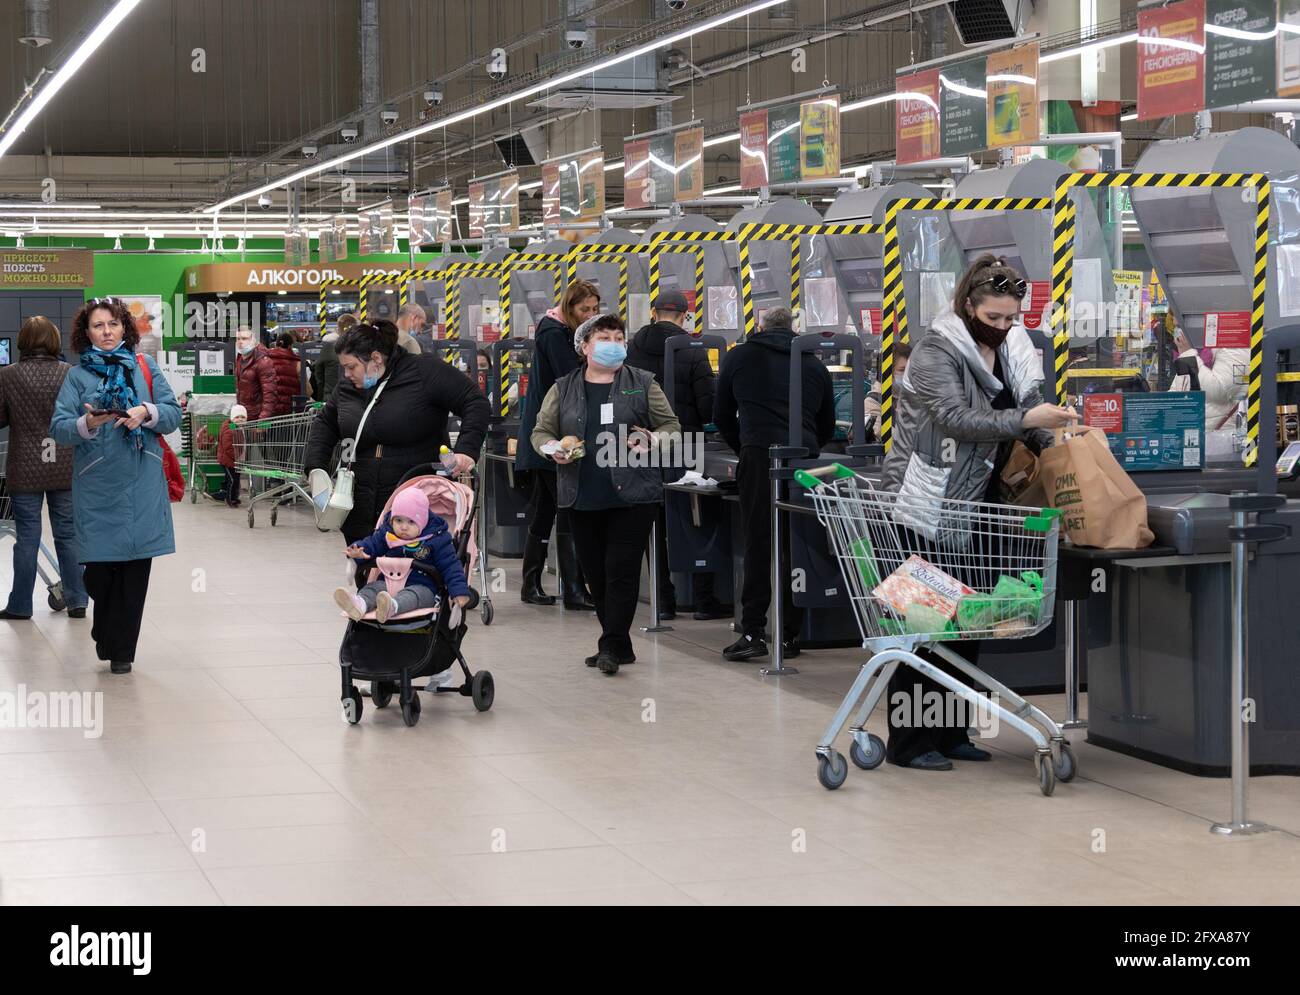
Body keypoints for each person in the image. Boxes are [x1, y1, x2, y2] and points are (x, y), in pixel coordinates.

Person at [881, 254, 1078, 771]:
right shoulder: (934, 353)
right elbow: (955, 418)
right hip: (925, 503)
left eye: (1011, 318)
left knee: (967, 624)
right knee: (925, 626)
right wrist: (1026, 418)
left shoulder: (1012, 349)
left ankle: (951, 733)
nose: (1003, 327)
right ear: (967, 306)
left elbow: (1025, 410)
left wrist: (1057, 437)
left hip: (979, 508)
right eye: (993, 318)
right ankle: (910, 743)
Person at [531, 313, 682, 675]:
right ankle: (620, 642)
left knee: (620, 570)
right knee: (595, 574)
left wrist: (651, 439)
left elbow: (672, 427)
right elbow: (540, 431)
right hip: (581, 494)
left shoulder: (642, 382)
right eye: (604, 338)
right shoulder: (563, 388)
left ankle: (610, 646)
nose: (613, 344)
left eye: (618, 337)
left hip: (634, 495)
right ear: (584, 347)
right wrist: (553, 448)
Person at [49, 297, 182, 674]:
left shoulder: (145, 366)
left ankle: (122, 652)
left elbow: (171, 414)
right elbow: (59, 427)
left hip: (142, 481)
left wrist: (146, 412)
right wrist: (89, 424)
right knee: (101, 575)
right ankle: (107, 632)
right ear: (86, 332)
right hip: (97, 485)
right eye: (98, 326)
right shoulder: (77, 376)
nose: (106, 332)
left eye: (113, 324)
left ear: (125, 327)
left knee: (135, 573)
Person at [303, 319, 490, 579]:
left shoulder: (424, 372)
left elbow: (475, 402)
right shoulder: (348, 387)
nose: (346, 374)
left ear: (376, 358)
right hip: (360, 497)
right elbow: (327, 421)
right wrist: (315, 467)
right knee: (366, 572)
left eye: (351, 366)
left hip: (411, 496)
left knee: (413, 575)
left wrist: (466, 450)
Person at [714, 306, 836, 662]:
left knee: (759, 543)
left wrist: (747, 447)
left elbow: (721, 413)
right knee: (795, 545)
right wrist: (808, 447)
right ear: (793, 328)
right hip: (805, 462)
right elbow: (827, 422)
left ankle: (753, 631)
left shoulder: (740, 356)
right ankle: (789, 635)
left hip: (759, 456)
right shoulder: (813, 363)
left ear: (761, 326)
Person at [625, 289, 729, 621]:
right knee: (694, 517)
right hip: (687, 443)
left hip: (642, 445)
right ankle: (703, 599)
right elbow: (706, 405)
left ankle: (663, 599)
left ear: (654, 313)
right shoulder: (693, 350)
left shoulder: (632, 350)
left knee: (650, 522)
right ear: (684, 315)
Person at [514, 280, 602, 610]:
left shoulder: (564, 331)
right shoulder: (554, 333)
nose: (589, 315)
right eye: (584, 310)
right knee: (565, 507)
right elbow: (570, 375)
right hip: (550, 435)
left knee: (546, 509)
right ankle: (575, 590)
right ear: (569, 308)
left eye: (594, 309)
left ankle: (531, 582)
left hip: (553, 433)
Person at [0, 316, 88, 620]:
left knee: (27, 537)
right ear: (53, 341)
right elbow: (82, 420)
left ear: (24, 341)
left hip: (25, 468)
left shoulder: (8, 375)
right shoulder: (70, 373)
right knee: (68, 535)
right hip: (64, 465)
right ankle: (77, 600)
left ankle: (21, 605)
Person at [333, 486, 471, 623]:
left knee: (413, 596)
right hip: (388, 582)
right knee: (373, 588)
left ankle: (392, 607)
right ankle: (359, 604)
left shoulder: (437, 539)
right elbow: (372, 544)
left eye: (411, 522)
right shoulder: (388, 534)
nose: (404, 527)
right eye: (399, 520)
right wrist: (358, 551)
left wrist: (459, 591)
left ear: (423, 520)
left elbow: (450, 565)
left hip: (422, 586)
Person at [1169, 326, 1247, 434]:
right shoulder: (1195, 352)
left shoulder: (1234, 345)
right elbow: (1177, 392)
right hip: (1198, 440)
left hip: (1223, 441)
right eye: (1175, 323)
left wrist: (1187, 354)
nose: (1178, 330)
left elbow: (1220, 390)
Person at [234, 325, 287, 419]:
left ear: (253, 340)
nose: (240, 342)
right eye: (238, 339)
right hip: (244, 417)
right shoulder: (240, 358)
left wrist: (263, 420)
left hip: (257, 418)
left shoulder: (263, 361)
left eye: (244, 338)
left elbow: (270, 394)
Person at [865, 341, 911, 441]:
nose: (908, 375)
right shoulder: (873, 400)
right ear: (888, 372)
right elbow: (882, 433)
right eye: (902, 370)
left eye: (910, 370)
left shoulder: (915, 396)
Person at [310, 313, 354, 402]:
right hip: (352, 398)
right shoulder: (359, 348)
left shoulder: (328, 348)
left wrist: (322, 394)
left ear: (338, 328)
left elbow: (318, 373)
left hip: (330, 397)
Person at [215, 404, 248, 508]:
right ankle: (229, 499)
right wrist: (237, 457)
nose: (240, 419)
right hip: (228, 460)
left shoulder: (239, 427)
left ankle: (234, 497)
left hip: (235, 461)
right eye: (237, 417)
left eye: (243, 417)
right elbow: (228, 446)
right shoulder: (229, 428)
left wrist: (264, 427)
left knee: (236, 479)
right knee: (232, 480)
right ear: (232, 418)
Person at [267, 331, 310, 403]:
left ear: (276, 344)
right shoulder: (298, 364)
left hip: (271, 406)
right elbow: (308, 391)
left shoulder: (266, 361)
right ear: (291, 346)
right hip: (291, 407)